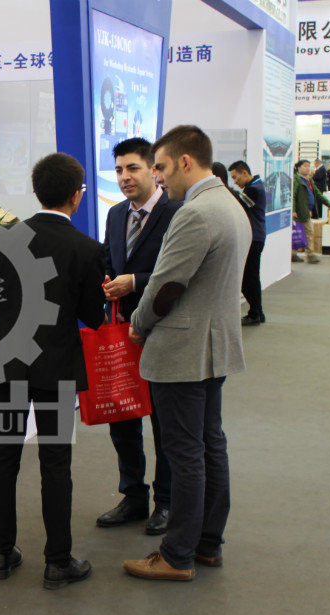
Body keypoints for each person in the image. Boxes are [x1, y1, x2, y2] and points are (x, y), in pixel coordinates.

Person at [122, 125, 250, 582]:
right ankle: (207, 544)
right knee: (210, 445)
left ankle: (177, 555)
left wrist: (138, 326)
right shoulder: (229, 204)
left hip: (183, 351)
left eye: (160, 167)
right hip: (213, 346)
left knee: (185, 453)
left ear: (186, 162)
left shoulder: (194, 213)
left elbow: (166, 285)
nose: (157, 176)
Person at [0, 152, 106, 590]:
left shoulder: (5, 239)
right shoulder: (87, 249)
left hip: (10, 361)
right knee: (55, 462)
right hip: (57, 365)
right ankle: (58, 560)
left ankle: (0, 553)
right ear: (76, 196)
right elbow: (94, 316)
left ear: (37, 192)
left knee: (4, 456)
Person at [97, 138, 181, 535]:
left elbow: (180, 274)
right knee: (123, 419)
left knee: (165, 424)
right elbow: (109, 259)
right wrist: (106, 280)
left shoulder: (176, 213)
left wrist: (136, 282)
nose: (124, 177)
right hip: (121, 335)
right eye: (119, 170)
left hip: (163, 331)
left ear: (153, 170)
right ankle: (133, 496)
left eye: (132, 168)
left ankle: (166, 501)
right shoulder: (116, 215)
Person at [229, 161, 268, 326]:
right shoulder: (255, 186)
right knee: (250, 277)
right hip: (255, 237)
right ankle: (257, 312)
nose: (235, 182)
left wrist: (224, 189)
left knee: (249, 278)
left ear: (244, 172)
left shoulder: (254, 189)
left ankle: (255, 313)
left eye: (235, 177)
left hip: (254, 238)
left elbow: (240, 202)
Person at [292, 160, 330, 264]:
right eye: (305, 166)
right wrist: (294, 210)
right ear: (298, 168)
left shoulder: (309, 180)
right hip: (300, 212)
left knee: (300, 233)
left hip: (307, 211)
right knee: (307, 232)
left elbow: (317, 193)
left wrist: (329, 204)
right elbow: (293, 196)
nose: (308, 168)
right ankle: (310, 255)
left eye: (309, 166)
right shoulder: (297, 180)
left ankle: (294, 254)